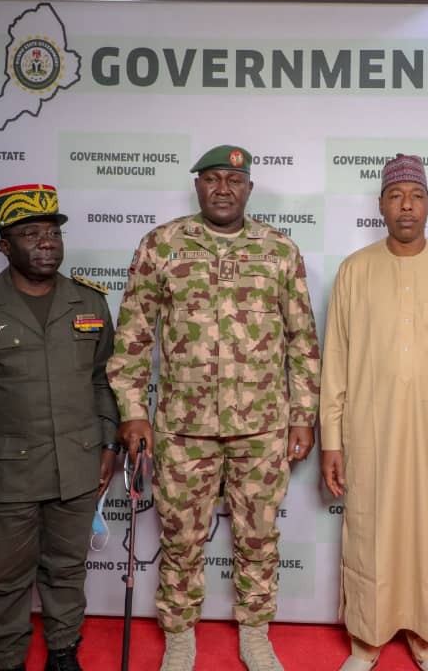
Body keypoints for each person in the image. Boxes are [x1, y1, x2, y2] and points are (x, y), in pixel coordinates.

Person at [107, 145, 320, 671]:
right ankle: (180, 638)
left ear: (249, 188)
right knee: (180, 538)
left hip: (262, 427)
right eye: (211, 179)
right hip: (183, 429)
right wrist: (133, 411)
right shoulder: (162, 245)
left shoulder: (279, 250)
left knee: (259, 536)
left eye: (234, 179)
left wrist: (302, 416)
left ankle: (254, 632)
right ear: (197, 185)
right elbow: (133, 336)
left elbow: (302, 341)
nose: (223, 188)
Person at [0, 183, 119, 671]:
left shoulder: (90, 304)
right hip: (5, 472)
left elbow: (102, 381)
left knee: (67, 571)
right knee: (7, 576)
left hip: (76, 466)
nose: (46, 242)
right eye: (30, 233)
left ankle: (62, 652)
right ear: (4, 245)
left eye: (52, 232)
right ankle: (8, 659)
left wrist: (107, 441)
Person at [320, 153, 428, 671]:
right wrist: (331, 439)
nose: (406, 206)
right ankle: (366, 641)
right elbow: (336, 361)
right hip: (368, 434)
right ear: (381, 205)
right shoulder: (354, 271)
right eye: (396, 196)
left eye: (415, 196)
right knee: (369, 531)